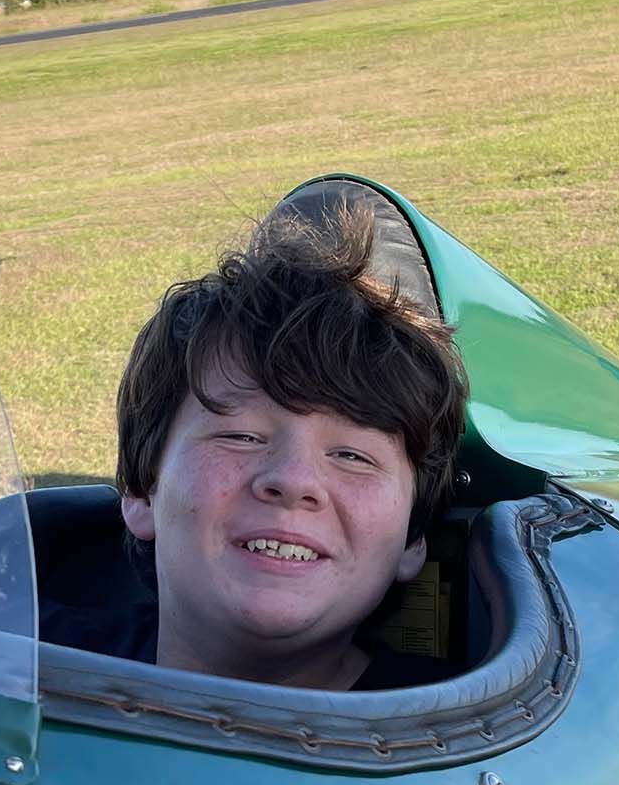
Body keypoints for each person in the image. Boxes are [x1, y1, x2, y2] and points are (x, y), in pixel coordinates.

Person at [114, 205, 467, 690]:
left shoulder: (475, 747)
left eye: (352, 455)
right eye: (240, 436)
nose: (294, 480)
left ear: (412, 536)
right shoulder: (11, 667)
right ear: (140, 490)